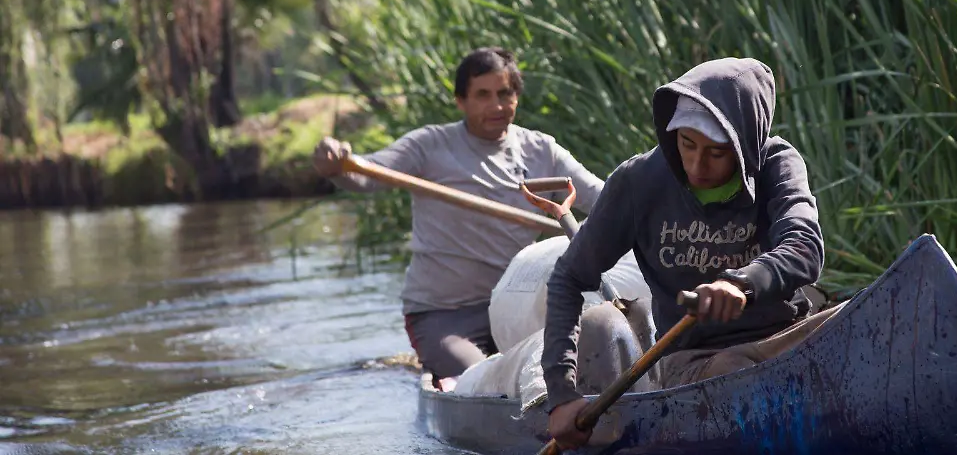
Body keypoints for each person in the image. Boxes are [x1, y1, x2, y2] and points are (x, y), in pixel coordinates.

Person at [540, 57, 830, 448]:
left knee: (863, 311)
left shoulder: (776, 164)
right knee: (734, 372)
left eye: (716, 152)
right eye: (687, 143)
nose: (696, 165)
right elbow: (569, 278)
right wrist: (561, 395)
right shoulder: (638, 181)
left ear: (746, 143)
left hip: (783, 338)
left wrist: (743, 283)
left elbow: (805, 245)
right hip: (694, 360)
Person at [312, 47, 605, 389]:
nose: (496, 106)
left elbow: (605, 201)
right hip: (444, 315)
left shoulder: (543, 151)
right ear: (460, 101)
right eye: (482, 95)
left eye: (504, 94)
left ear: (517, 98)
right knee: (483, 382)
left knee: (584, 364)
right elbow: (363, 175)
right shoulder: (429, 145)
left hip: (516, 305)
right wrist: (335, 164)